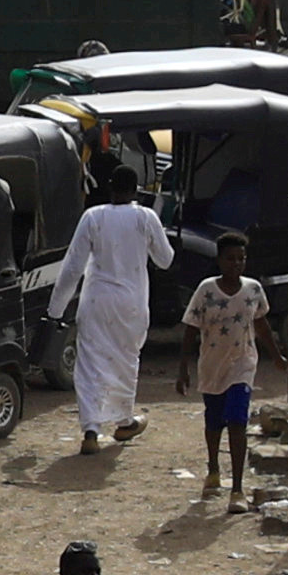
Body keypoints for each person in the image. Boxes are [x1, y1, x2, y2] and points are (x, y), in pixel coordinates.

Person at [54, 165, 174, 449]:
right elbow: (165, 260)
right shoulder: (146, 217)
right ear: (136, 190)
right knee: (125, 361)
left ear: (110, 187)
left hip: (96, 300)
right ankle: (124, 422)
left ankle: (91, 432)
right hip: (131, 303)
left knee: (90, 364)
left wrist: (55, 309)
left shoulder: (93, 216)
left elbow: (72, 268)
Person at [179, 243, 270, 508]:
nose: (236, 263)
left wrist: (276, 355)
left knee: (238, 421)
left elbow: (261, 323)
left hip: (242, 364)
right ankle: (213, 468)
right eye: (230, 258)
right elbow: (190, 328)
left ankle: (238, 490)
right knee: (214, 421)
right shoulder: (206, 290)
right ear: (219, 260)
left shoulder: (253, 290)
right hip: (212, 365)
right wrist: (183, 367)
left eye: (241, 258)